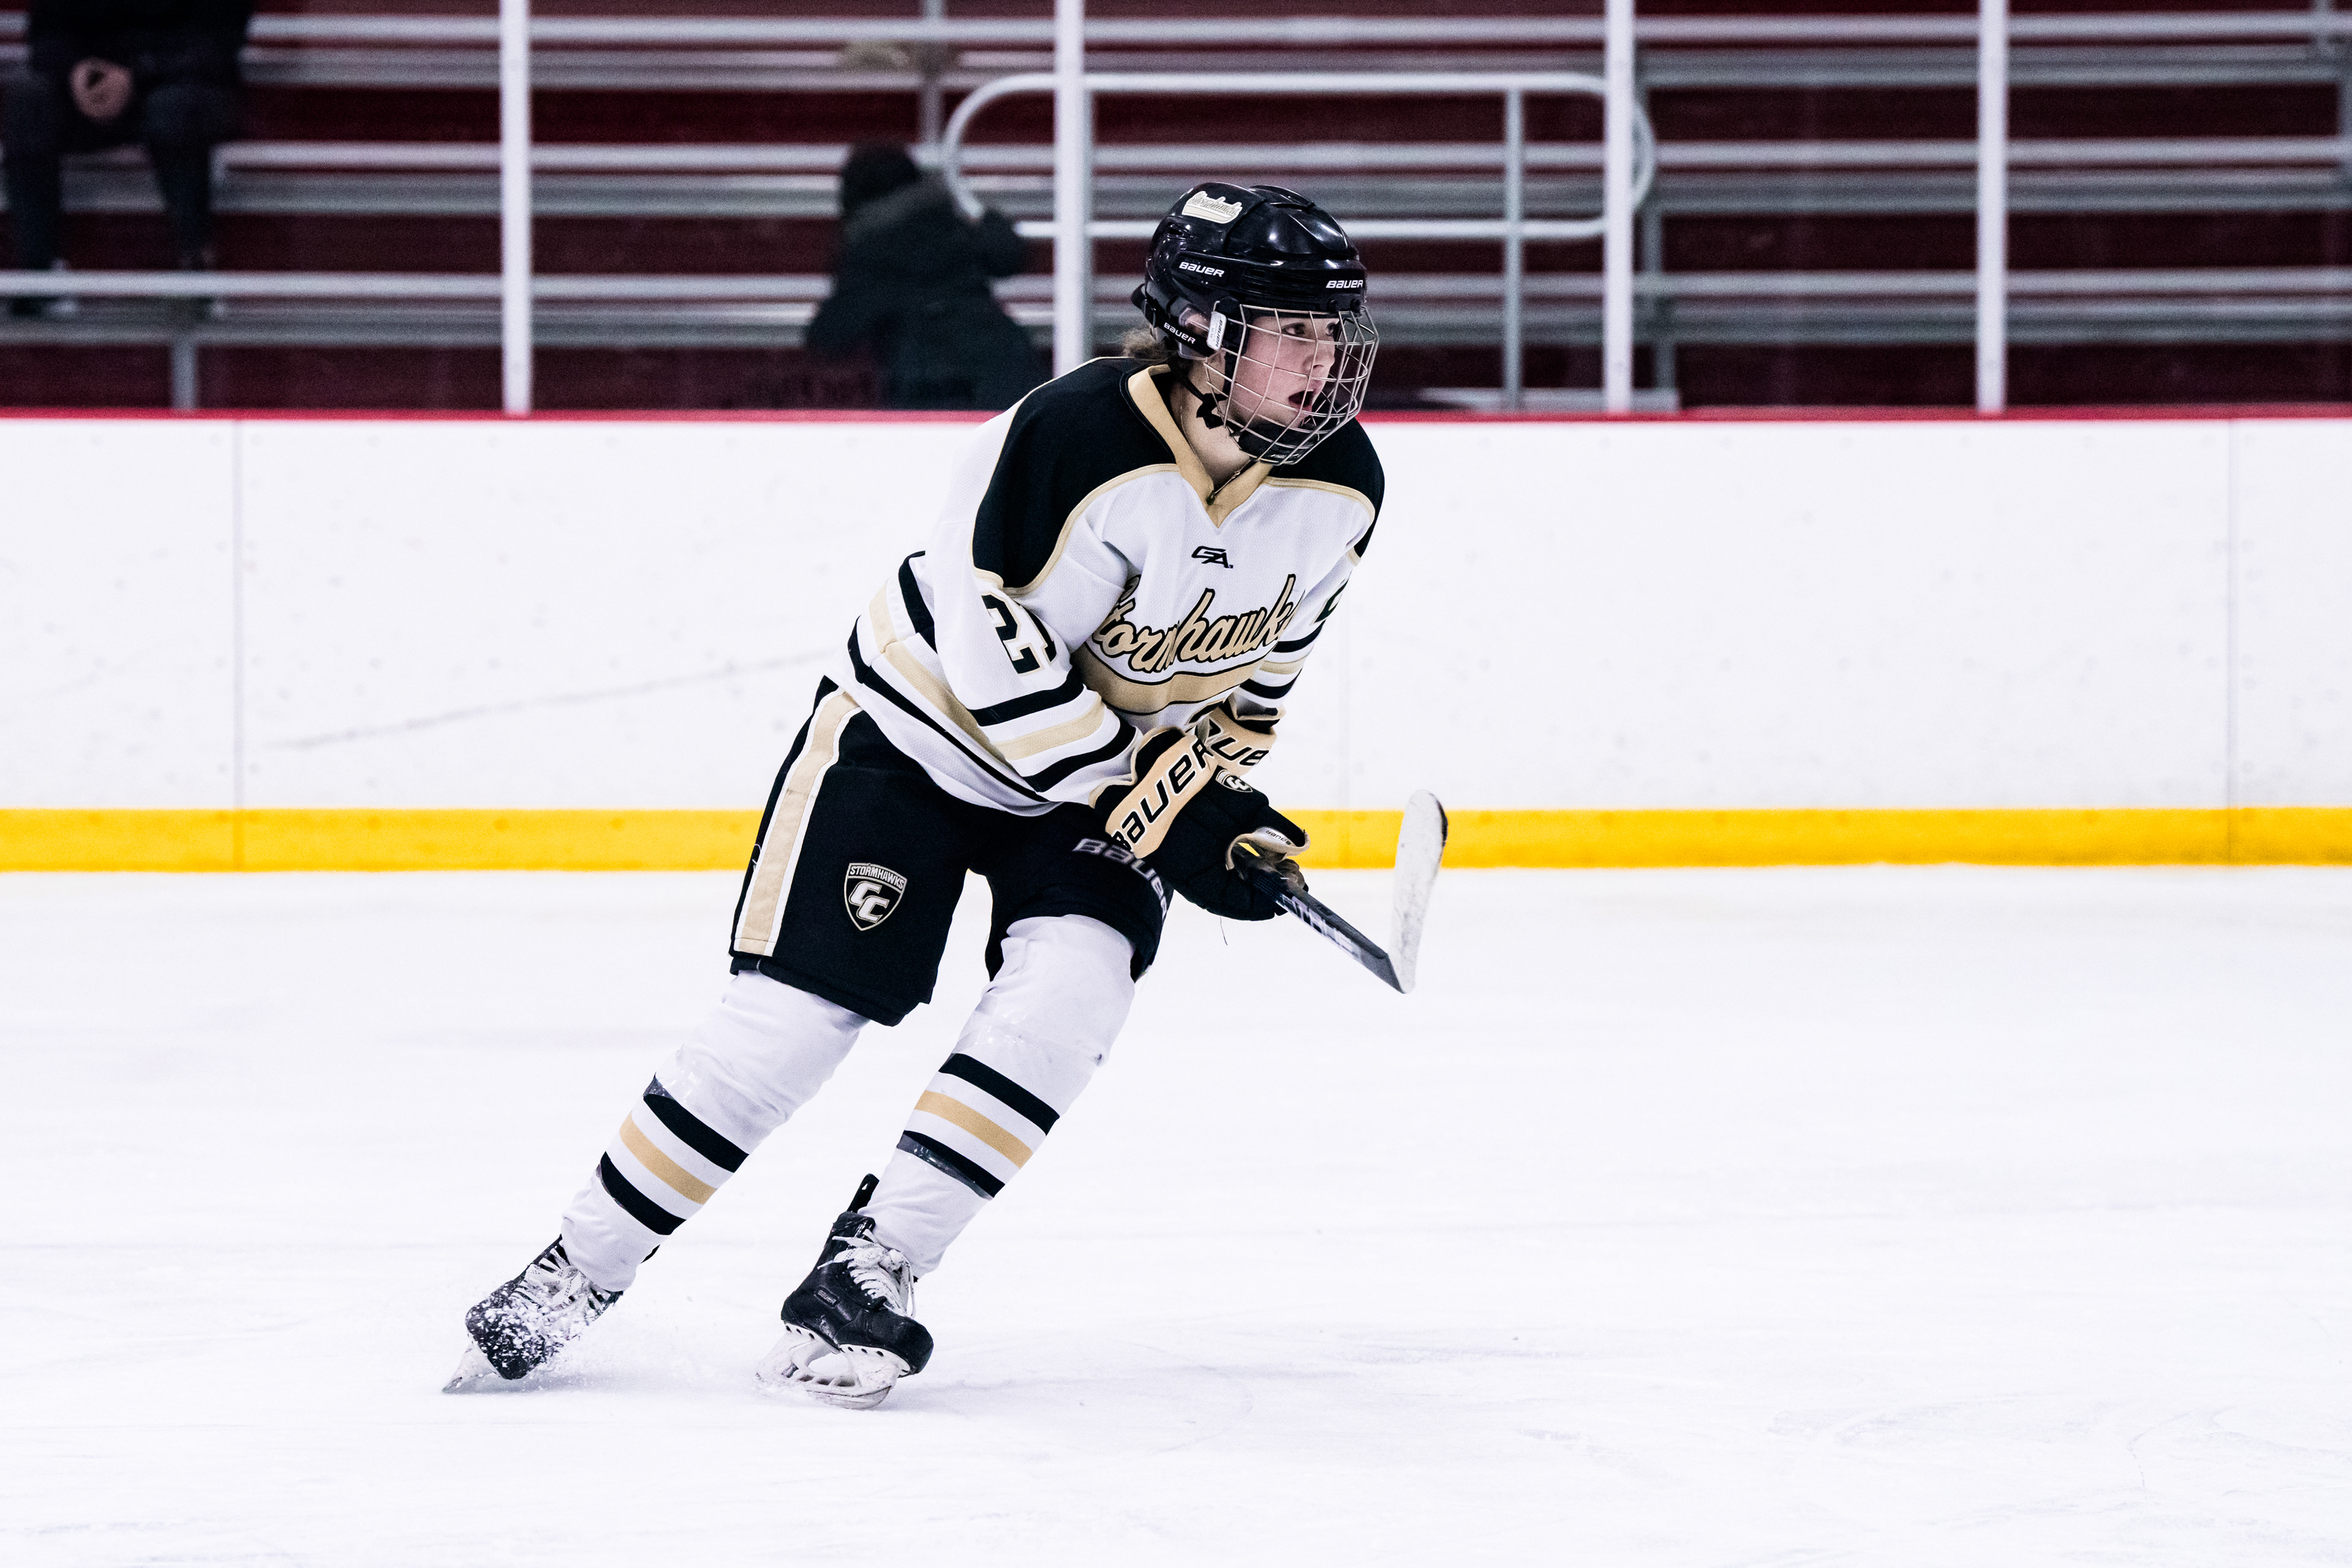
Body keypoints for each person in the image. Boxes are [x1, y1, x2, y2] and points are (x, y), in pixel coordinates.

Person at [450, 183, 1384, 1411]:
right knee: (795, 1021)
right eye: (1291, 331)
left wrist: (1225, 810)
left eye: (1332, 332)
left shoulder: (1344, 487)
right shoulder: (1070, 437)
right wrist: (1161, 803)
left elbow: (1254, 685)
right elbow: (995, 670)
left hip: (1090, 793)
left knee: (1071, 996)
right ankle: (578, 1268)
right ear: (1203, 330)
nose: (1323, 361)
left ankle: (866, 1271)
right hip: (915, 743)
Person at [3, 0, 251, 316]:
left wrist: (136, 75)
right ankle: (40, 274)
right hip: (94, 83)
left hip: (185, 83)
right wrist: (77, 71)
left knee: (174, 110)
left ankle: (196, 266)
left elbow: (218, 42)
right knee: (28, 100)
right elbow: (48, 30)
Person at [805, 141, 1046, 410]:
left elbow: (829, 336)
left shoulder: (871, 254)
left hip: (929, 387)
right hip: (1005, 370)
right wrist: (990, 220)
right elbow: (1007, 254)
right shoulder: (952, 224)